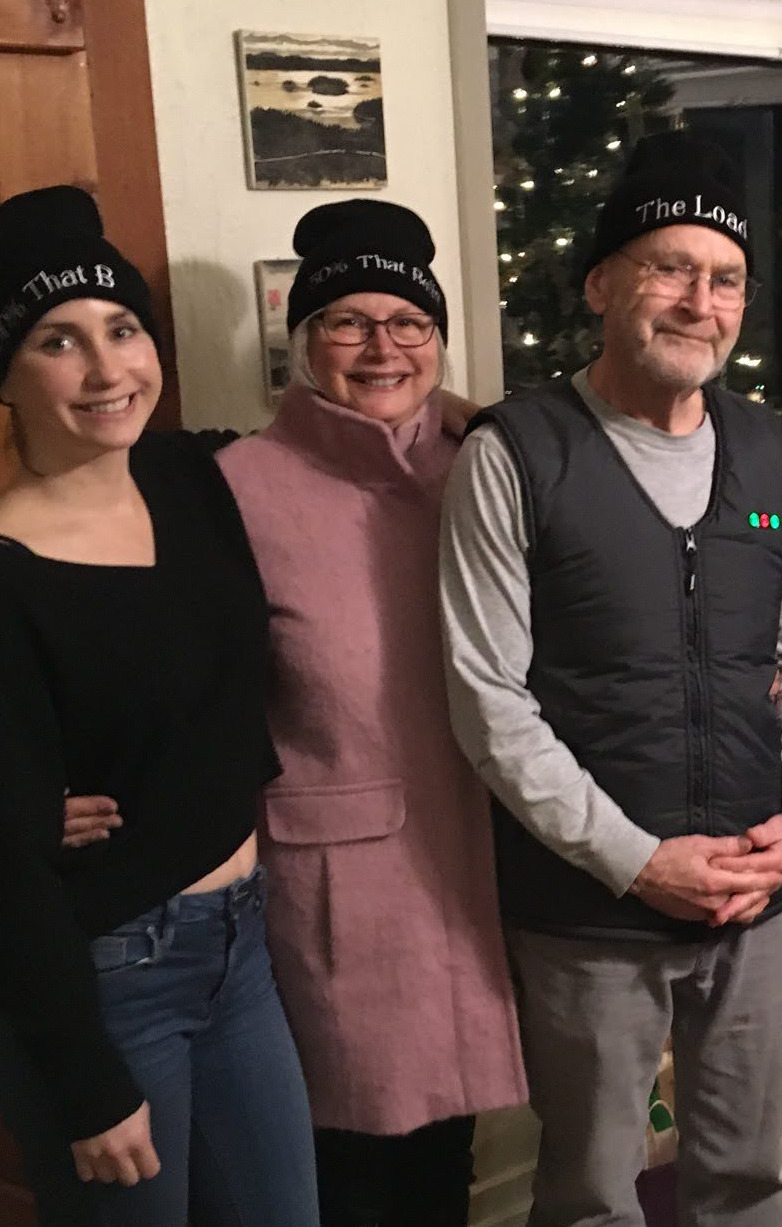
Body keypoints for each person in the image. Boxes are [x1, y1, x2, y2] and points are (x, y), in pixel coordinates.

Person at [439, 130, 782, 1227]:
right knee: (587, 1194)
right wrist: (636, 861)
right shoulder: (517, 453)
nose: (699, 301)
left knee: (750, 1183)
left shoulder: (773, 456)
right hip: (589, 914)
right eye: (670, 268)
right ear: (604, 281)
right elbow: (489, 701)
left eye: (726, 280)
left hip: (758, 899)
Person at [0, 185, 318, 1226]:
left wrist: (470, 418)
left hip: (241, 950)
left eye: (123, 329)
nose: (108, 370)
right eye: (58, 340)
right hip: (104, 976)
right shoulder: (9, 569)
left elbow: (331, 440)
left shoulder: (189, 474)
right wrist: (85, 1083)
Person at [214, 198, 527, 1227]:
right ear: (305, 343)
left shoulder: (486, 467)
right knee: (341, 1173)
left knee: (446, 1163)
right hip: (337, 898)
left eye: (409, 322)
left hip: (478, 873)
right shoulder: (236, 489)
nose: (382, 346)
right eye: (348, 321)